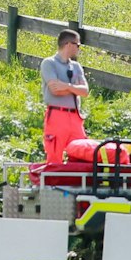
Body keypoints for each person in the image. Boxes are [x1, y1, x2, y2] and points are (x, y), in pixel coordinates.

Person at [41, 29, 90, 162]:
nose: (79, 48)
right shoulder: (49, 63)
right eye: (78, 45)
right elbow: (55, 90)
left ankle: (77, 182)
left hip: (75, 117)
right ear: (69, 44)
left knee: (81, 153)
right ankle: (52, 182)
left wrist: (67, 86)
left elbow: (85, 91)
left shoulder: (76, 66)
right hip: (57, 115)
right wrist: (75, 89)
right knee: (55, 155)